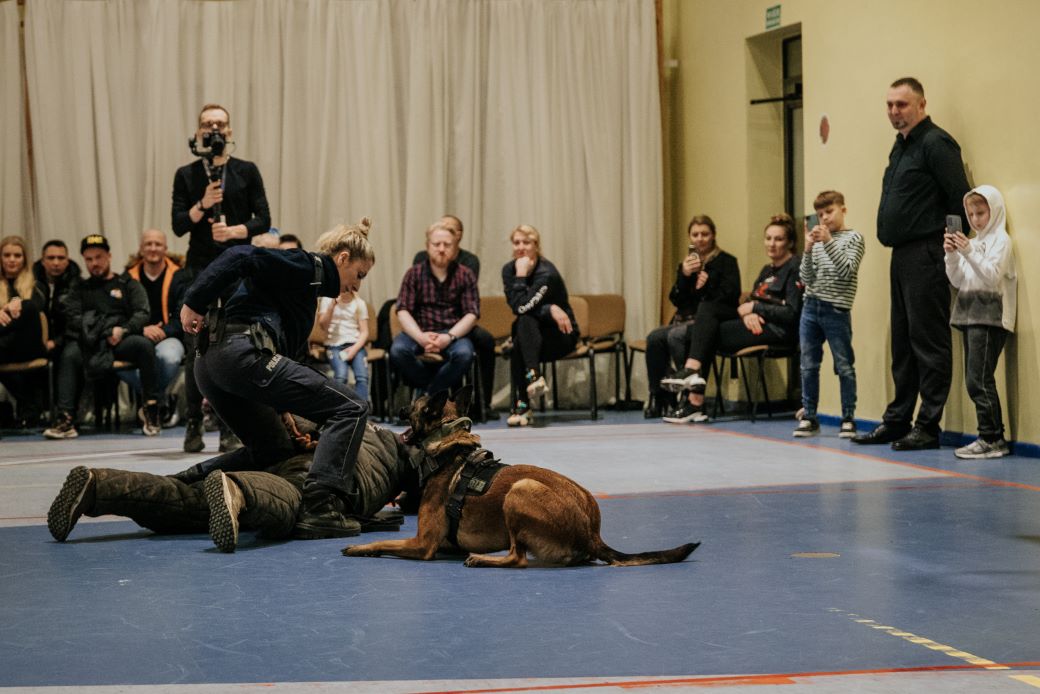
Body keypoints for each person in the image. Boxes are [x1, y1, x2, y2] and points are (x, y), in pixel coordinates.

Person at [179, 218, 375, 539]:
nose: (357, 286)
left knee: (273, 450)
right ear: (342, 259)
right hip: (241, 355)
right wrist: (194, 301)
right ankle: (320, 506)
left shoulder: (309, 287)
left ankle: (184, 485)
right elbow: (241, 255)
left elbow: (285, 353)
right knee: (352, 408)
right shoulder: (306, 265)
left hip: (211, 364)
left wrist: (283, 408)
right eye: (359, 274)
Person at [46, 417, 416, 553]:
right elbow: (422, 498)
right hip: (327, 477)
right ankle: (238, 490)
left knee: (190, 503)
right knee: (291, 503)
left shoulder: (354, 414)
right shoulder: (403, 458)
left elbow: (300, 420)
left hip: (285, 448)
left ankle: (101, 486)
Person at [853, 77, 970, 451]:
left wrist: (951, 250)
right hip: (902, 255)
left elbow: (959, 197)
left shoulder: (936, 143)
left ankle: (928, 425)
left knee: (929, 341)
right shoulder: (901, 146)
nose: (894, 111)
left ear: (921, 105)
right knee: (902, 343)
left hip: (928, 252)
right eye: (889, 105)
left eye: (901, 104)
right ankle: (897, 420)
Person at [173, 103, 271, 454]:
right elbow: (178, 224)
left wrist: (234, 231)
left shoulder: (246, 170)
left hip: (237, 265)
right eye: (207, 124)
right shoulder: (186, 174)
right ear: (198, 132)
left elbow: (264, 219)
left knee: (235, 344)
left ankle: (230, 423)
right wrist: (202, 204)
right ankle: (193, 422)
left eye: (220, 123)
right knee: (194, 346)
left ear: (229, 131)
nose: (214, 129)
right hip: (200, 267)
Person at [662, 214, 802, 424]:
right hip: (755, 325)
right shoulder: (767, 270)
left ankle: (693, 393)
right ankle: (693, 393)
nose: (771, 244)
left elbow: (792, 312)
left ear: (790, 242)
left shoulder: (795, 268)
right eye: (768, 238)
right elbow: (752, 301)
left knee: (703, 332)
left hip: (778, 331)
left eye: (778, 239)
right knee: (704, 325)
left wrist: (755, 308)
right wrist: (751, 312)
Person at [43, 234, 162, 439]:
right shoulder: (79, 288)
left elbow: (142, 313)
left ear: (109, 256)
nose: (94, 263)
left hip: (121, 340)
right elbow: (73, 318)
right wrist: (106, 331)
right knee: (69, 353)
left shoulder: (127, 283)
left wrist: (123, 330)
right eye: (89, 259)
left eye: (98, 257)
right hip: (90, 342)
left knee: (144, 345)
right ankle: (65, 419)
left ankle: (150, 409)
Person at [944, 185, 1016, 459]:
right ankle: (990, 435)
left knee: (979, 379)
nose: (975, 220)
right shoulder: (972, 242)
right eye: (971, 214)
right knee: (974, 379)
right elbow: (958, 280)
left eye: (981, 213)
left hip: (990, 317)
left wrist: (968, 252)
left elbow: (992, 276)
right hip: (969, 314)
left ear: (994, 210)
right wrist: (952, 254)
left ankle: (992, 438)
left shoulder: (1002, 240)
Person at [645, 215, 741, 418]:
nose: (700, 239)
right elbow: (676, 299)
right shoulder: (687, 264)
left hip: (711, 322)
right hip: (686, 318)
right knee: (654, 338)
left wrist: (707, 285)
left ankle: (688, 394)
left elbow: (731, 296)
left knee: (677, 336)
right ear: (690, 237)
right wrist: (684, 276)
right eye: (695, 234)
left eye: (705, 234)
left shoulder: (727, 261)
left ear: (713, 235)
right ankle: (660, 397)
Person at [794, 191, 865, 438]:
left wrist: (828, 242)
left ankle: (848, 418)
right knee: (808, 365)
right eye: (820, 214)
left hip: (836, 310)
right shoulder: (816, 242)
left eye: (829, 212)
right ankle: (809, 416)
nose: (824, 218)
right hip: (811, 307)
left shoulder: (854, 238)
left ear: (843, 210)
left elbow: (847, 270)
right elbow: (806, 278)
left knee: (844, 365)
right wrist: (807, 249)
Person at [411, 215, 497, 418]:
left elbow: (463, 298)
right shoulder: (421, 257)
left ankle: (482, 403)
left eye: (450, 229)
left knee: (484, 341)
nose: (444, 231)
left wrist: (449, 335)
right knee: (398, 339)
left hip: (458, 318)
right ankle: (431, 397)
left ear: (458, 235)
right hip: (429, 320)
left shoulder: (468, 262)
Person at [501, 224, 579, 427]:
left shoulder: (546, 273)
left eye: (526, 242)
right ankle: (534, 376)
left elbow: (522, 307)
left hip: (560, 335)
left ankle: (523, 405)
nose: (520, 247)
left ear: (536, 245)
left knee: (521, 333)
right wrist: (548, 308)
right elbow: (518, 307)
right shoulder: (509, 270)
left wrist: (521, 278)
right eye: (516, 242)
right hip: (531, 338)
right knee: (522, 331)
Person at [391, 223, 479, 398]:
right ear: (427, 246)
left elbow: (472, 313)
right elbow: (402, 310)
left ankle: (428, 395)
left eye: (447, 245)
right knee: (398, 351)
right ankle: (434, 392)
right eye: (436, 244)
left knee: (464, 354)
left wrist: (449, 337)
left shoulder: (465, 275)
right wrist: (420, 337)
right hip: (419, 331)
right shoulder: (413, 274)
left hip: (452, 333)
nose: (441, 249)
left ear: (455, 248)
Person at [123, 229, 188, 424]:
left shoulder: (181, 276)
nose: (153, 248)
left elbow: (183, 315)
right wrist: (142, 330)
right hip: (136, 336)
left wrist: (162, 331)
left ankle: (151, 402)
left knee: (169, 357)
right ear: (141, 249)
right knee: (115, 364)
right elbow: (121, 315)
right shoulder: (126, 278)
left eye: (157, 244)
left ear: (165, 248)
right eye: (148, 244)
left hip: (168, 336)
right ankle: (160, 401)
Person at [0, 236, 49, 426]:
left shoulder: (37, 285)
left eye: (17, 255)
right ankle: (29, 405)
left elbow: (36, 310)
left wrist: (12, 305)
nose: (12, 260)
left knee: (28, 307)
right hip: (4, 348)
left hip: (29, 345)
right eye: (7, 255)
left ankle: (29, 405)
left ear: (25, 259)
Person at [31, 239, 82, 358]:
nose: (56, 263)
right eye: (51, 258)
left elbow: (77, 322)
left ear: (67, 261)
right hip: (36, 343)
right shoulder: (30, 284)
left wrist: (56, 342)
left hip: (68, 342)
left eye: (61, 258)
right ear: (43, 261)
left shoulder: (79, 286)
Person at [318, 289, 370, 399]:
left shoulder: (359, 303)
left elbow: (365, 332)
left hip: (355, 344)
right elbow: (323, 325)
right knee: (341, 376)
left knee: (362, 377)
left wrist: (354, 349)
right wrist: (332, 305)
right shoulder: (327, 299)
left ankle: (361, 407)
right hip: (334, 345)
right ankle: (341, 407)